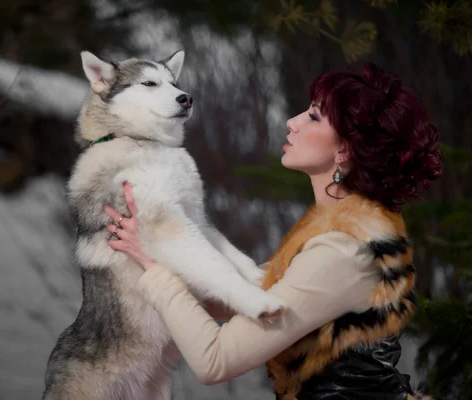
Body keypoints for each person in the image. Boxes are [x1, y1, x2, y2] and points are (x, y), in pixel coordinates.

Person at [102, 62, 443, 399]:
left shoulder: (344, 251)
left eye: (313, 116)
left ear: (345, 148)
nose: (291, 122)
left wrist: (154, 267)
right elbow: (250, 293)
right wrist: (164, 243)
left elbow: (215, 359)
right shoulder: (343, 235)